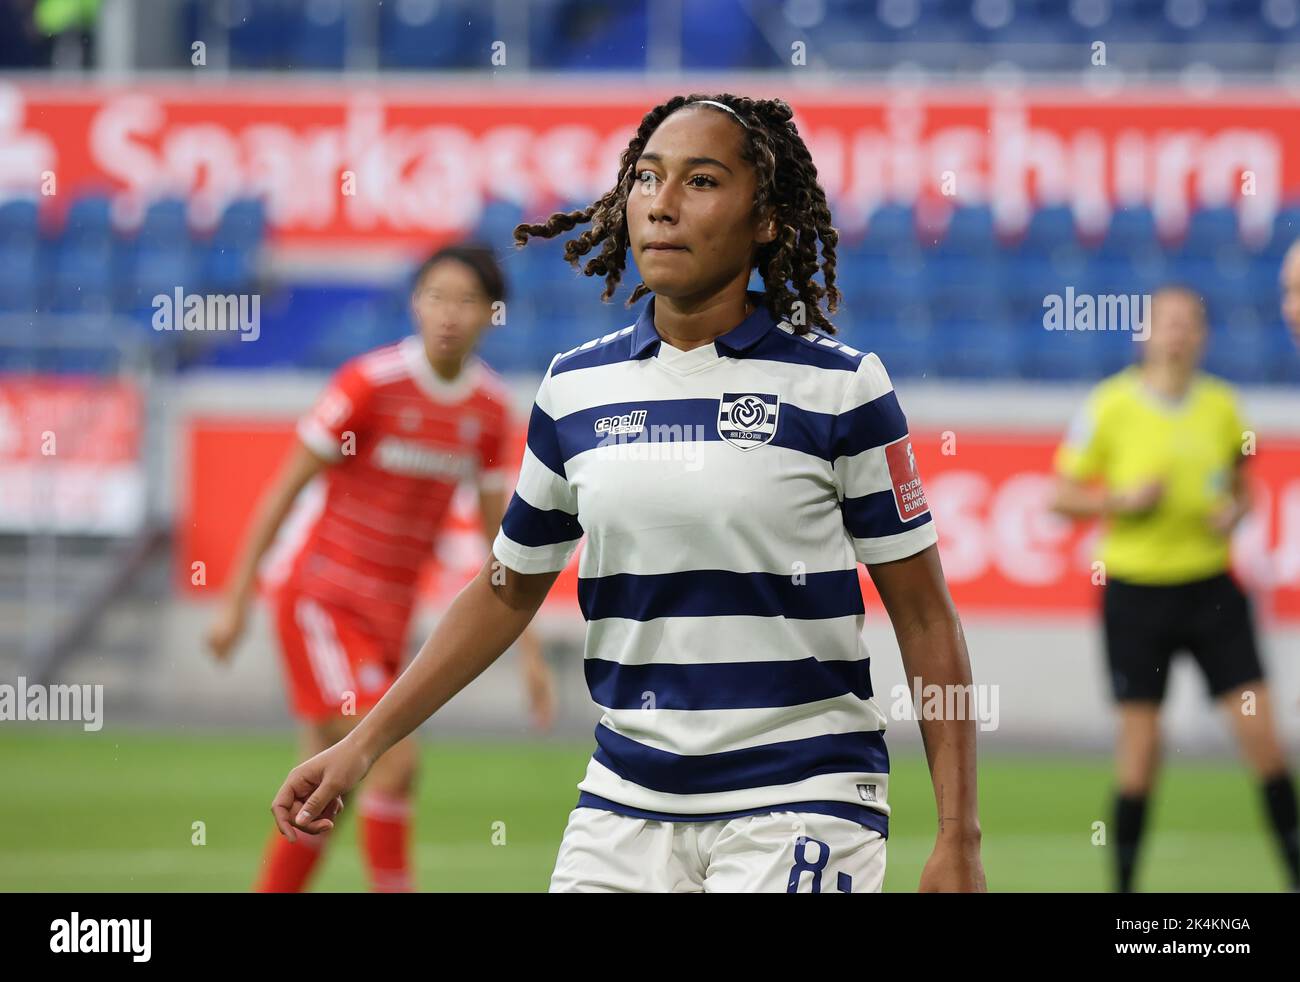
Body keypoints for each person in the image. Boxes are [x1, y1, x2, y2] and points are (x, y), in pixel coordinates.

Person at [272, 93, 985, 893]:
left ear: (769, 220)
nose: (663, 205)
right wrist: (361, 743)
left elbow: (925, 613)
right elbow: (506, 591)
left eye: (702, 182)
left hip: (802, 797)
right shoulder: (576, 389)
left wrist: (958, 835)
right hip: (625, 802)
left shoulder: (841, 388)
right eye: (647, 180)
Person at [207, 244, 555, 892]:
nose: (449, 313)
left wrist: (529, 654)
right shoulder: (370, 383)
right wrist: (235, 601)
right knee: (392, 760)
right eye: (436, 296)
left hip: (388, 618)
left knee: (321, 787)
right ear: (414, 303)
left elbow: (500, 543)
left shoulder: (485, 409)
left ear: (491, 313)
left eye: (467, 300)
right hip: (321, 599)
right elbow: (284, 488)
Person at [1051, 285, 1299, 892]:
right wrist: (1119, 500)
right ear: (1146, 334)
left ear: (1202, 336)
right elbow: (1060, 497)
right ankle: (1126, 901)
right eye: (1168, 323)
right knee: (1141, 753)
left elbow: (1244, 486)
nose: (1179, 334)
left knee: (1264, 743)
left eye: (1190, 323)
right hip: (1136, 594)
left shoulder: (1222, 407)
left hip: (1212, 591)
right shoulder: (1109, 406)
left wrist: (1235, 511)